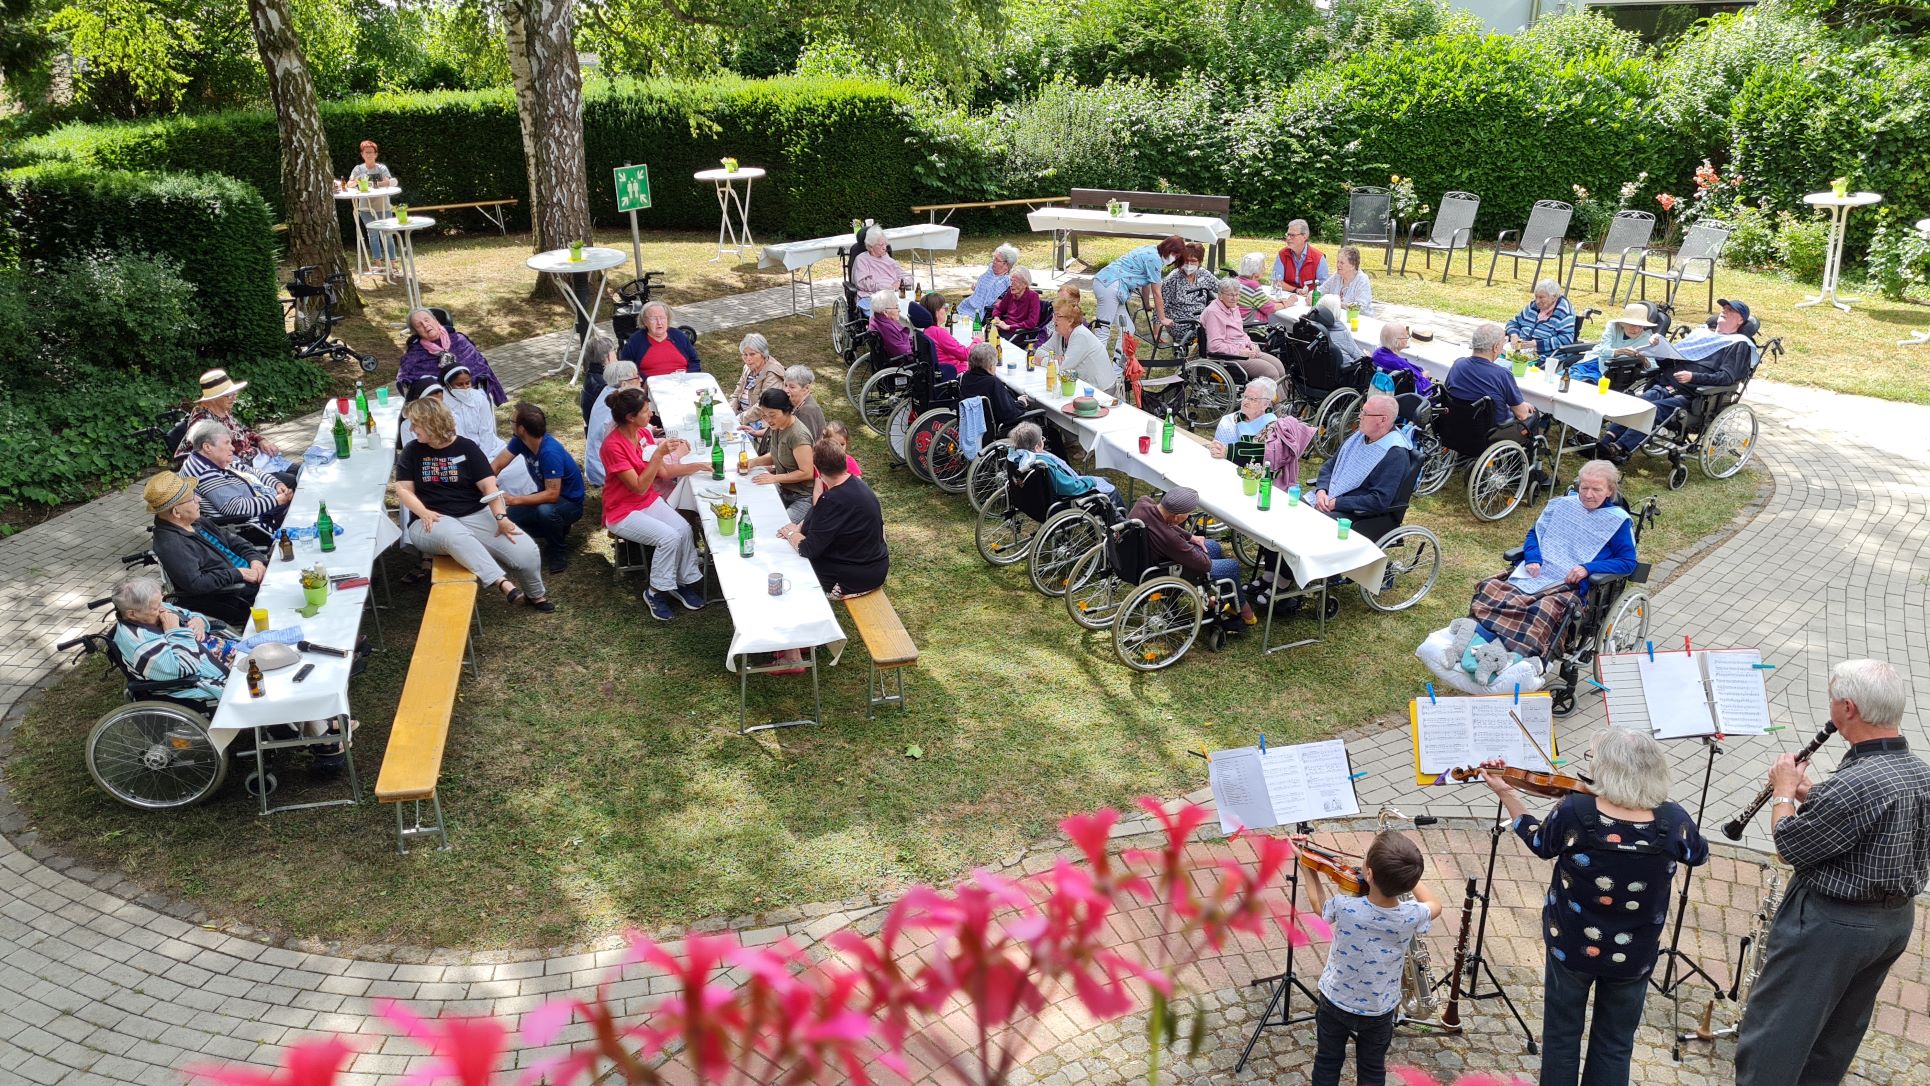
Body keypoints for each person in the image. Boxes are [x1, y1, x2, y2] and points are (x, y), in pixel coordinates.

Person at [1736, 659, 1930, 1086]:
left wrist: (1784, 793)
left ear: (1847, 708)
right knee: (1834, 1039)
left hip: (1832, 927)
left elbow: (1789, 845)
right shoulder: (1921, 772)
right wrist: (1816, 798)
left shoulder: (1855, 784)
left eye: (1831, 700)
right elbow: (1868, 822)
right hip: (1893, 924)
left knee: (1775, 1035)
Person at [1481, 728, 1708, 1086]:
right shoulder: (1674, 820)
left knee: (1561, 1038)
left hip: (1571, 945)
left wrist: (1506, 793)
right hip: (1634, 952)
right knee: (1615, 1045)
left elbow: (1540, 842)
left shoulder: (1576, 811)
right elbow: (1698, 854)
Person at [1463, 460, 1636, 661]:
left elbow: (1628, 562)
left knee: (1542, 608)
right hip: (1539, 571)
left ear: (1609, 491)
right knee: (1490, 588)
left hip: (1569, 583)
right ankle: (1478, 637)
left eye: (1596, 489)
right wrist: (1532, 558)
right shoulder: (1563, 505)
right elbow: (1535, 534)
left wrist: (1588, 568)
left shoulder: (1617, 521)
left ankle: (1520, 655)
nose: (1588, 495)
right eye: (1584, 487)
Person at [396, 396, 552, 612]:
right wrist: (422, 512)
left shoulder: (466, 447)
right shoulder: (412, 451)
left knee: (526, 551)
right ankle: (501, 582)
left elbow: (489, 486)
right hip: (431, 520)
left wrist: (501, 517)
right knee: (455, 536)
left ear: (432, 423)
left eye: (415, 424)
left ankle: (535, 596)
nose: (412, 429)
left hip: (474, 514)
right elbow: (403, 490)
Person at [1311, 832, 1441, 1086]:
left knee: (1327, 1061)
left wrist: (1309, 868)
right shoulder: (1411, 914)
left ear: (1369, 874)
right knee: (1372, 1068)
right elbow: (1434, 903)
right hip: (1379, 1007)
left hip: (1336, 1000)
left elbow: (1319, 906)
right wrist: (1409, 875)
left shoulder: (1345, 906)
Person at [1597, 299, 1756, 458]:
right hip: (1667, 384)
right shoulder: (1702, 335)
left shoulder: (1737, 344)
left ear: (1740, 320)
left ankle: (1619, 447)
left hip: (1693, 396)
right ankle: (1607, 440)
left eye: (1731, 310)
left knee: (1653, 409)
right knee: (1639, 402)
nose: (1724, 310)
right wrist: (1658, 349)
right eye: (1724, 308)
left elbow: (1727, 377)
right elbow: (1667, 363)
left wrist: (1693, 377)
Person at [599, 388, 705, 621]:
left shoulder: (643, 433)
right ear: (630, 417)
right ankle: (655, 591)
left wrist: (695, 464)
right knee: (669, 538)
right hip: (621, 510)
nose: (651, 414)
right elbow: (638, 486)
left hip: (646, 500)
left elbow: (662, 473)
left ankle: (680, 582)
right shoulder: (613, 447)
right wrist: (658, 454)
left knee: (684, 529)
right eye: (646, 411)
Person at [145, 472, 263, 628]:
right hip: (236, 596)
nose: (198, 500)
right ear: (176, 512)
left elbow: (235, 541)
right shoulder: (171, 544)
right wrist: (238, 574)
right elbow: (197, 583)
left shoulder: (196, 522)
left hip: (254, 575)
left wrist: (255, 560)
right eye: (192, 498)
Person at [777, 435, 889, 598]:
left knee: (787, 562)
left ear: (817, 470)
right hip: (876, 568)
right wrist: (800, 528)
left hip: (853, 579)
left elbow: (808, 549)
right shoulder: (859, 486)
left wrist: (790, 533)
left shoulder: (831, 500)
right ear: (844, 462)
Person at [1126, 487, 1255, 624]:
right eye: (1188, 514)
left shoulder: (1143, 503)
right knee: (1231, 567)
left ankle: (1207, 598)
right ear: (1177, 517)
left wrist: (1191, 537)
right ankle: (1244, 611)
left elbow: (1164, 522)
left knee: (1213, 546)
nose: (1188, 516)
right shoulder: (1171, 539)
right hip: (1167, 569)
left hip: (1143, 559)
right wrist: (1198, 552)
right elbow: (1205, 564)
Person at [490, 403, 585, 575]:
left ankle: (558, 551)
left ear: (522, 428)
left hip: (569, 502)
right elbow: (496, 465)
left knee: (546, 511)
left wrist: (514, 500)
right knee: (510, 518)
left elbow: (552, 495)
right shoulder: (520, 441)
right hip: (548, 498)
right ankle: (557, 529)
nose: (510, 423)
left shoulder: (550, 452)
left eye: (512, 421)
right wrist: (487, 483)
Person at [109, 575, 236, 702]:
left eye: (161, 602)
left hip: (222, 652)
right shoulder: (138, 643)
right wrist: (174, 630)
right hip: (205, 678)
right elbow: (184, 669)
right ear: (132, 614)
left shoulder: (157, 608)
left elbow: (190, 615)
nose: (163, 608)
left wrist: (199, 621)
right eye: (156, 608)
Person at [1311, 394, 1415, 540]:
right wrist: (1322, 490)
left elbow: (1379, 500)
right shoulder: (1358, 437)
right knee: (1291, 509)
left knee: (1311, 525)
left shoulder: (1395, 454)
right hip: (1329, 499)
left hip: (1358, 514)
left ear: (1382, 420)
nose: (1359, 416)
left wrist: (1337, 503)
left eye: (1365, 413)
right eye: (1362, 411)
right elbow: (1330, 466)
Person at [180, 419, 293, 533]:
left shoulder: (212, 459)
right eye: (227, 443)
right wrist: (276, 501)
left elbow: (251, 471)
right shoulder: (203, 471)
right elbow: (234, 508)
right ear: (207, 447)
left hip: (263, 507)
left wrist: (276, 484)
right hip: (251, 525)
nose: (232, 448)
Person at [177, 369, 288, 477]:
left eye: (234, 393)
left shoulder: (223, 411)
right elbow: (201, 456)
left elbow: (243, 430)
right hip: (243, 472)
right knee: (293, 480)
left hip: (258, 460)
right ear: (213, 398)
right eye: (229, 394)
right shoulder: (203, 421)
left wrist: (261, 440)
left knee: (296, 472)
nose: (234, 397)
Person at [1092, 235, 1187, 348]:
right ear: (1168, 247)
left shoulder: (1151, 250)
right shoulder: (1155, 259)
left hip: (1111, 286)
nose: (1174, 258)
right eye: (1175, 254)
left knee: (1128, 330)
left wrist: (1146, 304)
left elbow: (1146, 283)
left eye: (1177, 256)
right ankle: (1096, 359)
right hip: (1109, 285)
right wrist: (1162, 319)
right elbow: (1157, 293)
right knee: (1103, 330)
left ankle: (1119, 360)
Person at [1006, 421, 1120, 516]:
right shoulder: (1043, 464)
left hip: (1032, 501)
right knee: (1110, 489)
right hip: (1063, 500)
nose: (1043, 441)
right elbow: (1070, 487)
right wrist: (1090, 481)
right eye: (1042, 439)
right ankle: (1120, 526)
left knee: (1106, 480)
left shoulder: (1017, 459)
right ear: (1037, 447)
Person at [398, 308, 507, 405]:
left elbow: (481, 366)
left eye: (427, 320)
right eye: (419, 325)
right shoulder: (415, 352)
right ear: (415, 332)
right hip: (439, 406)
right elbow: (404, 379)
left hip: (472, 397)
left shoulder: (459, 340)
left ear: (435, 320)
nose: (425, 325)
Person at [1446, 322, 1540, 433]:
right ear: (1495, 347)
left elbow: (1449, 391)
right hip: (1492, 433)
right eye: (1502, 344)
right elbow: (1522, 415)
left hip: (1455, 428)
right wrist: (1523, 406)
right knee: (1534, 413)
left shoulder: (1458, 364)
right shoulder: (1502, 374)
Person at [746, 387, 817, 523]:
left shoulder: (798, 436)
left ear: (786, 410)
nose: (768, 420)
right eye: (764, 415)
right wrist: (753, 462)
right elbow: (777, 454)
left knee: (778, 526)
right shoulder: (777, 426)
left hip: (803, 497)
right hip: (784, 490)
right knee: (753, 510)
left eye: (772, 415)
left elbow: (807, 473)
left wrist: (774, 478)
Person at [1200, 280, 1285, 382]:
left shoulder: (1233, 307)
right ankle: (1269, 393)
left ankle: (1279, 393)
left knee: (1279, 366)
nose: (1235, 298)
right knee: (1271, 372)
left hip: (1244, 350)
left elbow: (1241, 333)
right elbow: (1215, 346)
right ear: (1220, 296)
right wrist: (1240, 352)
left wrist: (1251, 344)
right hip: (1228, 357)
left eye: (1237, 295)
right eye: (1231, 295)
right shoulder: (1214, 313)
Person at [1571, 303, 1661, 386]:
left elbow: (1653, 367)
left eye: (1640, 326)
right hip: (1594, 361)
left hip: (1615, 372)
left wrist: (1643, 359)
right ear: (1624, 323)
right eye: (1633, 325)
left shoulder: (1646, 338)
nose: (1636, 330)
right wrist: (1620, 351)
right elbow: (1603, 350)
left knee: (1580, 384)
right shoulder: (1613, 326)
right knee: (1566, 376)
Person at [1038, 296, 1115, 392]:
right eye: (1054, 315)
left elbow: (1062, 367)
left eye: (1058, 316)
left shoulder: (1081, 335)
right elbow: (1039, 352)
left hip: (1101, 390)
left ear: (1070, 321)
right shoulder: (1059, 333)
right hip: (1080, 384)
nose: (1053, 320)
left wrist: (1042, 361)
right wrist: (1053, 358)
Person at [585, 360, 642, 487]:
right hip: (607, 468)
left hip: (598, 462)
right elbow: (626, 441)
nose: (641, 380)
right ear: (624, 383)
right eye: (637, 377)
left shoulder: (608, 392)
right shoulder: (620, 406)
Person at [345, 139, 399, 270]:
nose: (369, 155)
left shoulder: (381, 168)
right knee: (373, 235)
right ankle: (378, 264)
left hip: (383, 206)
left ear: (376, 154)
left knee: (388, 235)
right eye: (366, 152)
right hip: (366, 208)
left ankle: (393, 263)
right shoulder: (358, 169)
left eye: (371, 152)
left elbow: (390, 182)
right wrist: (356, 180)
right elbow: (349, 184)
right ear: (362, 154)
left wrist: (372, 184)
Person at [441, 361, 508, 459]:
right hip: (457, 452)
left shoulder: (479, 398)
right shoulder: (442, 404)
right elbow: (452, 437)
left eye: (467, 383)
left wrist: (483, 456)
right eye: (459, 384)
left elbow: (486, 430)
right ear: (448, 385)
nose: (465, 388)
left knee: (519, 462)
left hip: (489, 447)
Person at [619, 301, 701, 379]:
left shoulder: (679, 336)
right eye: (653, 319)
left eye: (662, 318)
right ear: (645, 322)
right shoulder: (635, 341)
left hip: (683, 382)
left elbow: (694, 361)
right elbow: (626, 368)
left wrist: (689, 377)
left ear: (668, 319)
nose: (659, 322)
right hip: (651, 385)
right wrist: (645, 381)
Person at [1208, 378, 1278, 461]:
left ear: (1265, 404)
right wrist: (1215, 448)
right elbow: (1217, 446)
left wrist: (1228, 452)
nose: (1245, 401)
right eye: (1245, 396)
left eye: (1252, 399)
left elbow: (1261, 456)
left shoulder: (1272, 426)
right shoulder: (1228, 420)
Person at [1505, 279, 1578, 358]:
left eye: (1541, 297)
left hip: (1544, 356)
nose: (1537, 301)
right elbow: (1513, 322)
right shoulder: (1533, 306)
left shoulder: (1563, 312)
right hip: (1521, 352)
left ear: (1554, 297)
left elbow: (1566, 339)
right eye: (1536, 297)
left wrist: (1537, 344)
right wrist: (1514, 335)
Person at [852, 225, 913, 310]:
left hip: (893, 297)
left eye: (885, 244)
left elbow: (909, 278)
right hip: (872, 298)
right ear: (871, 246)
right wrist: (886, 287)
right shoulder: (861, 260)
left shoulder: (888, 259)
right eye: (881, 245)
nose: (884, 248)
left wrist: (900, 283)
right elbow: (861, 283)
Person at [1160, 243, 1219, 328]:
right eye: (1186, 260)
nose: (1189, 264)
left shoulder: (1203, 274)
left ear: (1200, 262)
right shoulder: (1172, 279)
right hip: (1180, 322)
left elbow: (1222, 288)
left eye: (1193, 261)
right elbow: (1160, 304)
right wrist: (1156, 333)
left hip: (1202, 318)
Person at [1271, 219, 1330, 299]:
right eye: (1288, 234)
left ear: (1304, 236)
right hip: (1286, 298)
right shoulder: (1282, 254)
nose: (1288, 238)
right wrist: (1296, 290)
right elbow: (1276, 281)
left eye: (1292, 235)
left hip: (1310, 300)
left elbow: (1324, 286)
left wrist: (1311, 294)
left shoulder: (1318, 258)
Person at [732, 333, 785, 420]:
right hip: (742, 414)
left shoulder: (772, 373)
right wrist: (730, 411)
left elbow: (764, 405)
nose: (748, 358)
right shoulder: (747, 367)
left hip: (762, 421)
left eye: (752, 354)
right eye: (745, 354)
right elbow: (737, 393)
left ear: (763, 354)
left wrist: (739, 419)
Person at [959, 244, 1018, 320]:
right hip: (968, 305)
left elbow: (1007, 301)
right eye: (994, 258)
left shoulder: (1007, 281)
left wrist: (1000, 301)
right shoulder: (990, 271)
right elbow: (985, 285)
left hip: (982, 312)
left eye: (997, 260)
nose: (994, 261)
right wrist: (978, 287)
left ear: (1007, 265)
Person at [1370, 321, 1432, 393]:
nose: (1407, 338)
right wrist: (1424, 377)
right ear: (1397, 341)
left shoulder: (1377, 353)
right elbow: (1420, 388)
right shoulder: (1399, 363)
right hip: (1404, 394)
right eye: (1405, 336)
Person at [989, 267, 1046, 346]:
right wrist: (997, 318)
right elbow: (998, 308)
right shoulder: (1010, 293)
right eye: (1011, 281)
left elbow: (1032, 322)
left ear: (1025, 284)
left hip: (1018, 333)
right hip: (1003, 328)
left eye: (1015, 282)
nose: (1011, 285)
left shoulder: (1033, 297)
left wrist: (1009, 327)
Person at [919, 294, 972, 374]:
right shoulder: (939, 332)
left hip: (942, 371)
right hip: (955, 373)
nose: (946, 311)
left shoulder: (927, 330)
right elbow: (966, 354)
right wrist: (977, 340)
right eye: (944, 307)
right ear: (936, 311)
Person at [1316, 245, 1375, 317]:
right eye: (1338, 261)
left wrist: (1338, 304)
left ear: (1352, 265)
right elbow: (1321, 290)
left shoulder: (1362, 280)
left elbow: (1361, 307)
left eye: (1342, 263)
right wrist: (1312, 294)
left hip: (1359, 319)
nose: (1338, 265)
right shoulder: (1337, 276)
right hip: (1339, 317)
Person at [578, 332, 617, 425]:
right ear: (607, 357)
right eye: (614, 352)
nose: (617, 357)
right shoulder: (604, 385)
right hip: (603, 429)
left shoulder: (592, 374)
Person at [867, 289, 916, 364]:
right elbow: (904, 354)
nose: (899, 310)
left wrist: (914, 342)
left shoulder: (875, 318)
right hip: (899, 363)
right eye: (896, 307)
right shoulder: (887, 328)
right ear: (885, 312)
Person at [1234, 251, 1281, 325]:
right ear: (1255, 273)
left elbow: (1254, 299)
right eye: (1263, 267)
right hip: (1252, 325)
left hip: (1239, 321)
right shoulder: (1253, 286)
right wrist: (1287, 303)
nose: (1265, 268)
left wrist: (1269, 300)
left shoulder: (1237, 280)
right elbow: (1270, 309)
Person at [783, 365, 827, 440]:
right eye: (785, 385)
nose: (786, 390)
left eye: (792, 387)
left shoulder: (807, 412)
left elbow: (807, 442)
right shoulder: (795, 403)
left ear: (806, 388)